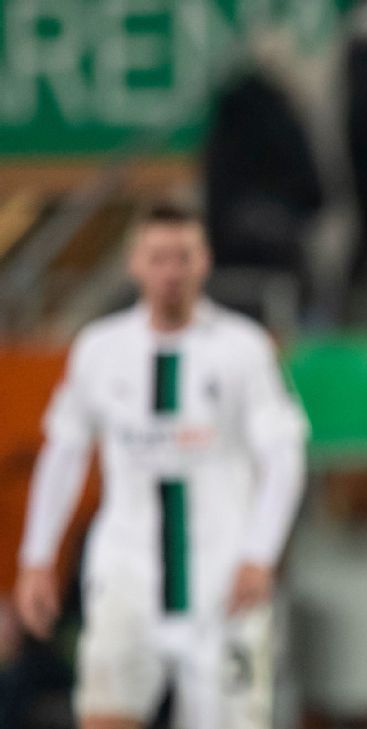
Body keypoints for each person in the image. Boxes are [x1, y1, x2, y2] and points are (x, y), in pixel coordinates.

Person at [13, 202, 310, 729]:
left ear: (205, 261)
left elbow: (284, 454)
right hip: (126, 572)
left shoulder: (243, 348)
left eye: (183, 257)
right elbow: (64, 451)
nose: (171, 272)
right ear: (134, 263)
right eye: (158, 258)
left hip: (221, 579)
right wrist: (36, 556)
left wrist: (259, 554)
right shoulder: (99, 349)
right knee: (104, 717)